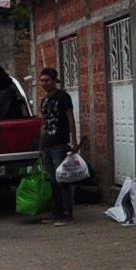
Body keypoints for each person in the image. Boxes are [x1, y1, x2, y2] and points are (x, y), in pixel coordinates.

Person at [38, 68, 79, 227]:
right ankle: (56, 213)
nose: (44, 83)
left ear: (55, 81)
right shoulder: (44, 100)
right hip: (47, 145)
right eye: (42, 80)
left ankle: (67, 214)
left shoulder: (63, 97)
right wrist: (40, 143)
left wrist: (74, 141)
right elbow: (43, 122)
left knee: (63, 180)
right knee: (53, 181)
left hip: (60, 144)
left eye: (47, 80)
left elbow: (70, 118)